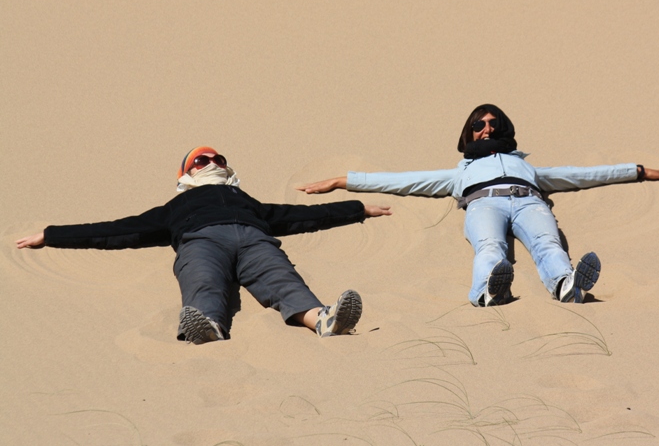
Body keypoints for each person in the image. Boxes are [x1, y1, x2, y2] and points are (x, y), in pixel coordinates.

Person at [299, 105, 659, 306]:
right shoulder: (458, 173)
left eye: (495, 123)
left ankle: (565, 285)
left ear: (505, 129)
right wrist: (342, 180)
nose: (488, 128)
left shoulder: (528, 166)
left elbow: (582, 175)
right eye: (479, 124)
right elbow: (401, 180)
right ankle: (487, 293)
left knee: (549, 245)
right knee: (490, 248)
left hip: (529, 199)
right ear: (469, 133)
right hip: (482, 204)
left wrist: (637, 171)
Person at [16, 146, 392, 344]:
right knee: (203, 283)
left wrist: (359, 208)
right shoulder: (176, 207)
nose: (212, 161)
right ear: (185, 174)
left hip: (256, 239)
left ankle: (323, 321)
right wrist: (51, 235)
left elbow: (301, 216)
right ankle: (207, 326)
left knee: (283, 280)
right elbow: (117, 230)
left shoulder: (250, 202)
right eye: (202, 159)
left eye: (219, 159)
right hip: (200, 241)